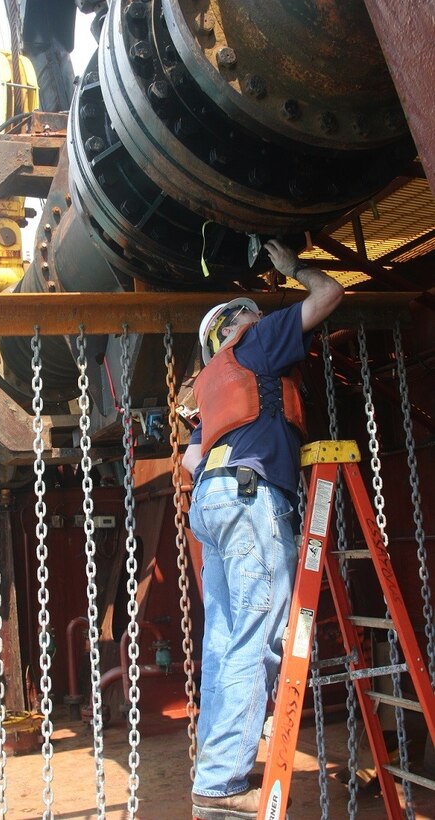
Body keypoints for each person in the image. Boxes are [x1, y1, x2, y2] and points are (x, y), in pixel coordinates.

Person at [183, 239, 344, 818]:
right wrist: (293, 269)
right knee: (256, 637)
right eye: (250, 307)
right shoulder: (255, 342)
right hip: (251, 503)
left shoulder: (209, 385)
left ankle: (215, 774)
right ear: (233, 326)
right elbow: (329, 294)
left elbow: (188, 462)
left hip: (213, 502)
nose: (261, 311)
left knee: (225, 644)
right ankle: (224, 784)